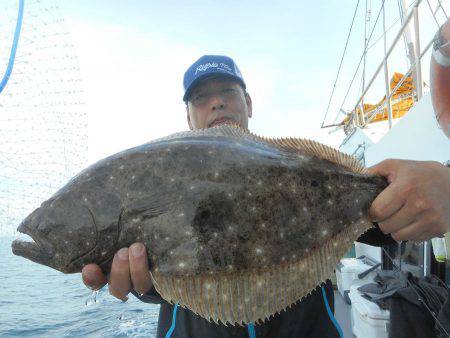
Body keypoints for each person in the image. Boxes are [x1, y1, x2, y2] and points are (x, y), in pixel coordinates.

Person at [82, 22, 450, 338]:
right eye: (201, 98)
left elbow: (375, 222)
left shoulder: (300, 169)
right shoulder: (161, 180)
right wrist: (147, 287)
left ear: (249, 104)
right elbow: (166, 269)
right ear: (188, 116)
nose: (216, 103)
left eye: (228, 92)